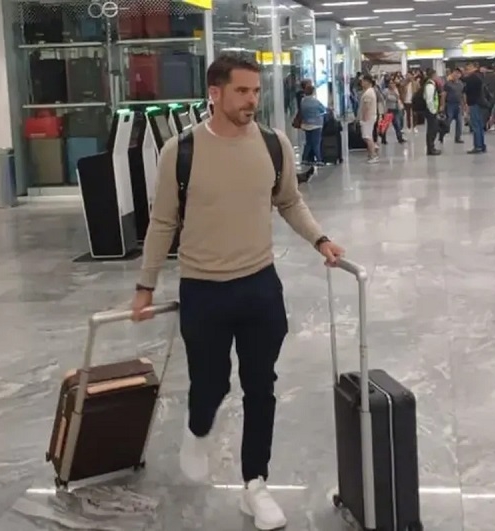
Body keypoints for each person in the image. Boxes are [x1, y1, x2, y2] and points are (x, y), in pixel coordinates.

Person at [130, 54, 344, 531]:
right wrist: (145, 285)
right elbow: (162, 223)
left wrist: (320, 240)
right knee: (210, 383)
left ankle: (255, 484)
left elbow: (289, 201)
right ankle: (198, 427)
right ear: (215, 93)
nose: (252, 100)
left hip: (260, 286)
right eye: (242, 91)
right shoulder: (181, 151)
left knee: (260, 386)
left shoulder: (273, 144)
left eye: (255, 91)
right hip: (203, 288)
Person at [298, 84, 326, 165]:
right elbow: (323, 109)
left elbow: (302, 111)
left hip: (306, 124)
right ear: (313, 92)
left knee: (308, 143)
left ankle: (304, 159)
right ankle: (319, 160)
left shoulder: (303, 101)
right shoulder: (315, 102)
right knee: (316, 143)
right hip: (316, 124)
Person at [358, 74, 380, 163]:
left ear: (367, 82)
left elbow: (366, 107)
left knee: (367, 136)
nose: (361, 83)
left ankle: (373, 155)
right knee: (367, 136)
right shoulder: (370, 91)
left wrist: (364, 117)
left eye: (363, 81)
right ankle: (372, 151)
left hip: (368, 117)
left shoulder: (368, 93)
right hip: (371, 116)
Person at [423, 68, 442, 156]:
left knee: (433, 129)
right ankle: (431, 148)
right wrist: (433, 110)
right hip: (431, 110)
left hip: (432, 110)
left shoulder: (431, 84)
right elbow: (429, 99)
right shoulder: (430, 85)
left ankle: (431, 147)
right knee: (432, 130)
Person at [444, 68, 465, 144]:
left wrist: (464, 105)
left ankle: (458, 137)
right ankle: (443, 132)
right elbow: (444, 94)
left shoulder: (461, 84)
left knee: (459, 121)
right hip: (450, 104)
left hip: (458, 104)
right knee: (448, 120)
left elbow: (463, 95)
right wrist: (442, 105)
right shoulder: (448, 84)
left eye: (458, 73)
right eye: (455, 73)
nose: (456, 75)